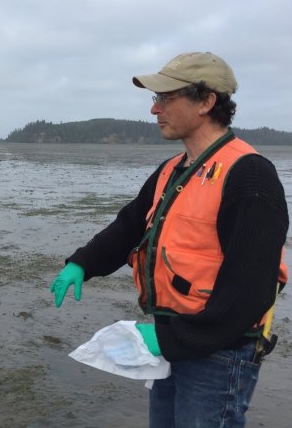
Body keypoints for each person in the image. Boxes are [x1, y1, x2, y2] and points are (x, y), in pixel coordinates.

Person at [49, 52, 288, 427]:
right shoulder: (173, 170)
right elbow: (129, 226)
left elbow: (251, 288)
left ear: (207, 102)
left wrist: (177, 340)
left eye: (166, 98)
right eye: (154, 99)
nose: (154, 110)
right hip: (173, 339)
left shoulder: (250, 177)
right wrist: (83, 263)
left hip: (219, 353)